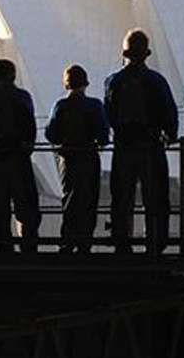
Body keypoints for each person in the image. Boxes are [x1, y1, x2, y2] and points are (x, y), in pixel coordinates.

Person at [105, 28, 179, 254]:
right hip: (150, 145)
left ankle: (121, 242)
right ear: (146, 53)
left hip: (124, 146)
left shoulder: (113, 81)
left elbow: (108, 113)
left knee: (122, 197)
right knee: (155, 197)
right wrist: (170, 134)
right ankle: (155, 243)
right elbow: (169, 111)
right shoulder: (156, 80)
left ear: (124, 52)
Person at [0, 56, 41, 254]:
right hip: (18, 156)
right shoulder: (22, 97)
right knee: (26, 205)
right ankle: (28, 248)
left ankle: (4, 249)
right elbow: (30, 128)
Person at [45, 64, 110, 253]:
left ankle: (68, 240)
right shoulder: (95, 105)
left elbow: (51, 134)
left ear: (66, 84)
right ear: (86, 83)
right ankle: (85, 241)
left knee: (70, 198)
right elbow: (104, 136)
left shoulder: (60, 106)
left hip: (68, 158)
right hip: (89, 156)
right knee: (89, 199)